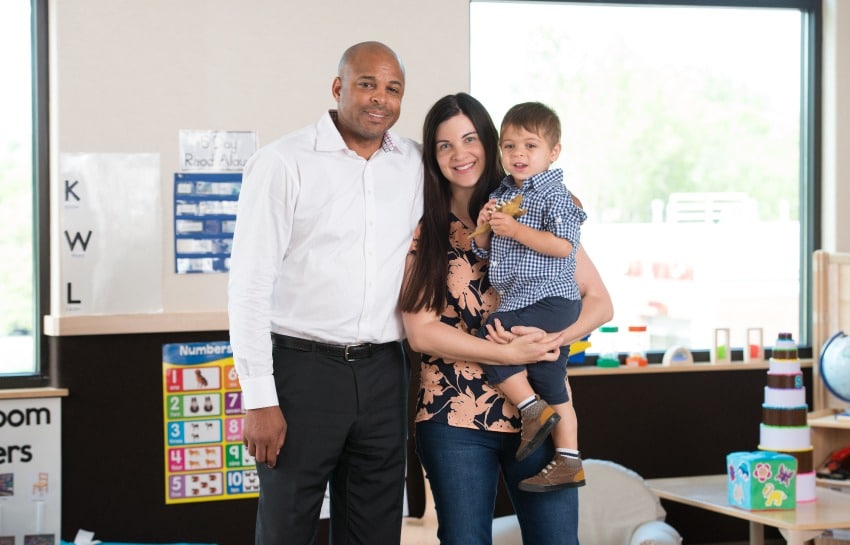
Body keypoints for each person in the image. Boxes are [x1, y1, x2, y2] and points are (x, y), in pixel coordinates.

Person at [227, 41, 426, 545]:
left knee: (375, 533)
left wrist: (548, 195)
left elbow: (480, 187)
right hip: (302, 376)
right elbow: (249, 287)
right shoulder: (282, 162)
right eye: (367, 84)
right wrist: (259, 399)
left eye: (393, 88)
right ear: (338, 88)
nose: (380, 98)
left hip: (385, 373)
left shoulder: (413, 164)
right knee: (286, 530)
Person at [400, 93, 613, 545]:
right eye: (443, 145)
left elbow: (599, 302)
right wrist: (506, 350)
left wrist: (549, 339)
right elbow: (421, 332)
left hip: (538, 412)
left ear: (491, 142)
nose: (459, 154)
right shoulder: (425, 228)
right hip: (452, 420)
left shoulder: (532, 207)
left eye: (470, 139)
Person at [470, 101, 587, 492]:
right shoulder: (505, 193)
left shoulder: (555, 194)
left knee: (492, 331)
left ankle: (531, 410)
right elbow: (485, 253)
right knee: (551, 377)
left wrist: (517, 231)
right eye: (509, 146)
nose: (518, 154)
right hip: (530, 297)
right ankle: (569, 460)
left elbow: (563, 248)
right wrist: (486, 226)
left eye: (530, 146)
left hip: (549, 297)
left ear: (553, 152)